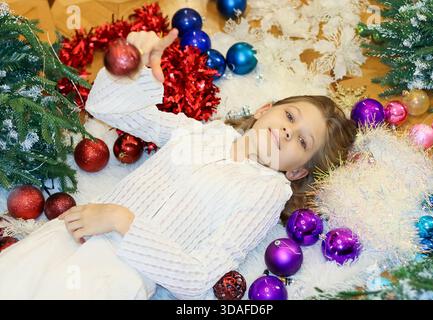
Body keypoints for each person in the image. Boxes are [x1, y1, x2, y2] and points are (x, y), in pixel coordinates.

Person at [0, 29, 356, 300]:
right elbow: (107, 109)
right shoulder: (196, 133)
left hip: (116, 274)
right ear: (265, 110)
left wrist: (123, 222)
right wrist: (133, 69)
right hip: (68, 234)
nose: (287, 131)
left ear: (296, 171)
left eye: (303, 141)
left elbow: (198, 279)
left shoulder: (265, 192)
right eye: (290, 116)